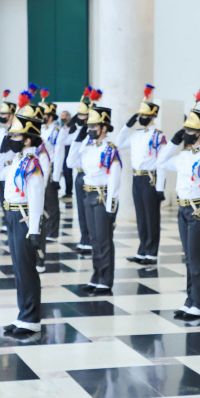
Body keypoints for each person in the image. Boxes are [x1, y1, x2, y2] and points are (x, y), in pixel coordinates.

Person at [156, 92, 200, 319]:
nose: (186, 134)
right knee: (189, 259)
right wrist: (173, 142)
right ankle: (190, 300)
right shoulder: (184, 156)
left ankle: (199, 305)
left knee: (197, 261)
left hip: (199, 213)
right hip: (183, 211)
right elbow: (160, 162)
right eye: (185, 131)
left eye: (190, 131)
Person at [1, 104, 46, 336]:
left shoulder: (32, 164)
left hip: (24, 217)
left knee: (27, 269)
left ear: (28, 140)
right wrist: (2, 150)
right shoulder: (18, 159)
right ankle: (23, 315)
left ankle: (31, 319)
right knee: (19, 268)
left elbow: (37, 198)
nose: (13, 138)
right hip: (12, 214)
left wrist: (35, 230)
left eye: (17, 135)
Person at [67, 104, 121, 295]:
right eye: (89, 126)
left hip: (103, 196)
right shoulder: (87, 146)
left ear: (104, 127)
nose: (90, 130)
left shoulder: (110, 149)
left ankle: (105, 280)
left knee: (104, 240)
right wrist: (77, 140)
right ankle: (97, 275)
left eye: (94, 126)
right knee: (94, 239)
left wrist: (110, 207)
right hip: (88, 195)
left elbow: (115, 179)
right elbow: (71, 163)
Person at [116, 84, 167, 265]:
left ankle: (151, 253)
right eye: (140, 115)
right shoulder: (136, 135)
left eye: (145, 116)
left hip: (151, 179)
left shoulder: (158, 136)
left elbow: (161, 164)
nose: (142, 118)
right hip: (137, 178)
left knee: (151, 217)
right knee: (141, 216)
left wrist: (160, 187)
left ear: (153, 116)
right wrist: (128, 125)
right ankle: (142, 250)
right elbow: (119, 143)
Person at [67, 87, 101, 255]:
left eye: (84, 116)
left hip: (90, 175)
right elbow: (62, 145)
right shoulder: (77, 132)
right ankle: (84, 238)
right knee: (81, 209)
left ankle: (91, 240)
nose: (81, 119)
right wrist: (72, 126)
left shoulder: (94, 137)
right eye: (79, 116)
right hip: (79, 173)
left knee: (90, 209)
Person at [38, 90, 64, 244]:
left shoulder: (57, 132)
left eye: (44, 115)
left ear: (51, 116)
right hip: (39, 168)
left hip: (51, 167)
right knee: (42, 200)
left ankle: (52, 231)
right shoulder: (40, 130)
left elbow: (59, 154)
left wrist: (55, 178)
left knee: (52, 202)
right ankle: (44, 228)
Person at [0, 89, 16, 235]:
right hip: (0, 169)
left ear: (11, 115)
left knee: (12, 197)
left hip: (10, 169)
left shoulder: (16, 132)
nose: (1, 117)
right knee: (2, 198)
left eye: (4, 114)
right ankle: (6, 221)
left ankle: (11, 221)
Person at [59, 109, 75, 200]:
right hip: (63, 151)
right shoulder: (62, 126)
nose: (62, 118)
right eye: (61, 116)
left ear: (68, 116)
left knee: (68, 172)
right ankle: (66, 191)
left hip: (69, 150)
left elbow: (69, 140)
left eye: (64, 116)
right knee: (65, 172)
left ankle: (69, 192)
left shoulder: (72, 127)